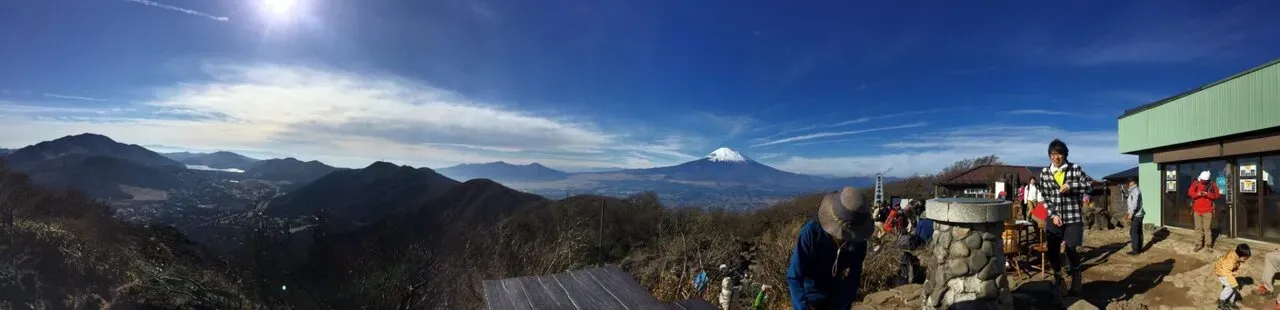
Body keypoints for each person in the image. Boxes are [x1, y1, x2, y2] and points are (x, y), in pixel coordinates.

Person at [786, 186, 872, 310]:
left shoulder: (858, 242)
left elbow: (853, 278)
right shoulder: (812, 233)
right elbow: (794, 275)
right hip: (809, 296)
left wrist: (843, 305)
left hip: (837, 296)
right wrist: (802, 307)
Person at [1036, 139, 1094, 296]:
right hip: (1054, 217)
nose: (1056, 157)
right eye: (1053, 154)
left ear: (1065, 154)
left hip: (1073, 216)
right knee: (1053, 251)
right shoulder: (1045, 173)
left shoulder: (1075, 169)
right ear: (1049, 156)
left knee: (1071, 248)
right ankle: (1059, 278)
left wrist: (1071, 186)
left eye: (1059, 154)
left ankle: (1076, 274)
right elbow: (1045, 197)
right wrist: (1053, 215)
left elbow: (1090, 185)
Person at [1189, 171, 1222, 252]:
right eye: (1202, 180)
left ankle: (1208, 245)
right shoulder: (1195, 183)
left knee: (1207, 229)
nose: (1202, 182)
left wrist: (1207, 194)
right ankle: (1198, 244)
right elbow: (1190, 193)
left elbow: (1217, 195)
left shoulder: (1212, 185)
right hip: (1197, 210)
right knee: (1198, 228)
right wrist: (1198, 194)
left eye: (1204, 181)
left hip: (1207, 210)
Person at [1216, 244, 1252, 310]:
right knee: (1230, 286)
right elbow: (1227, 272)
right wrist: (1233, 282)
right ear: (1239, 255)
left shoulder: (1236, 256)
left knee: (1235, 287)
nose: (1245, 260)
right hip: (1221, 272)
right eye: (1244, 259)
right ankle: (1221, 301)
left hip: (1227, 271)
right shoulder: (1230, 260)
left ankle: (1230, 302)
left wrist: (1235, 271)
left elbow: (1236, 264)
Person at [1125, 177, 1144, 255]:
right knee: (1138, 231)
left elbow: (1134, 203)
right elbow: (1131, 200)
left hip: (1136, 214)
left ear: (1133, 182)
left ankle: (1135, 250)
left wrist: (1131, 213)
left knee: (1133, 232)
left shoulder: (1135, 191)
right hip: (1139, 214)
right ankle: (1139, 248)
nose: (1128, 184)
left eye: (1129, 182)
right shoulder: (1134, 190)